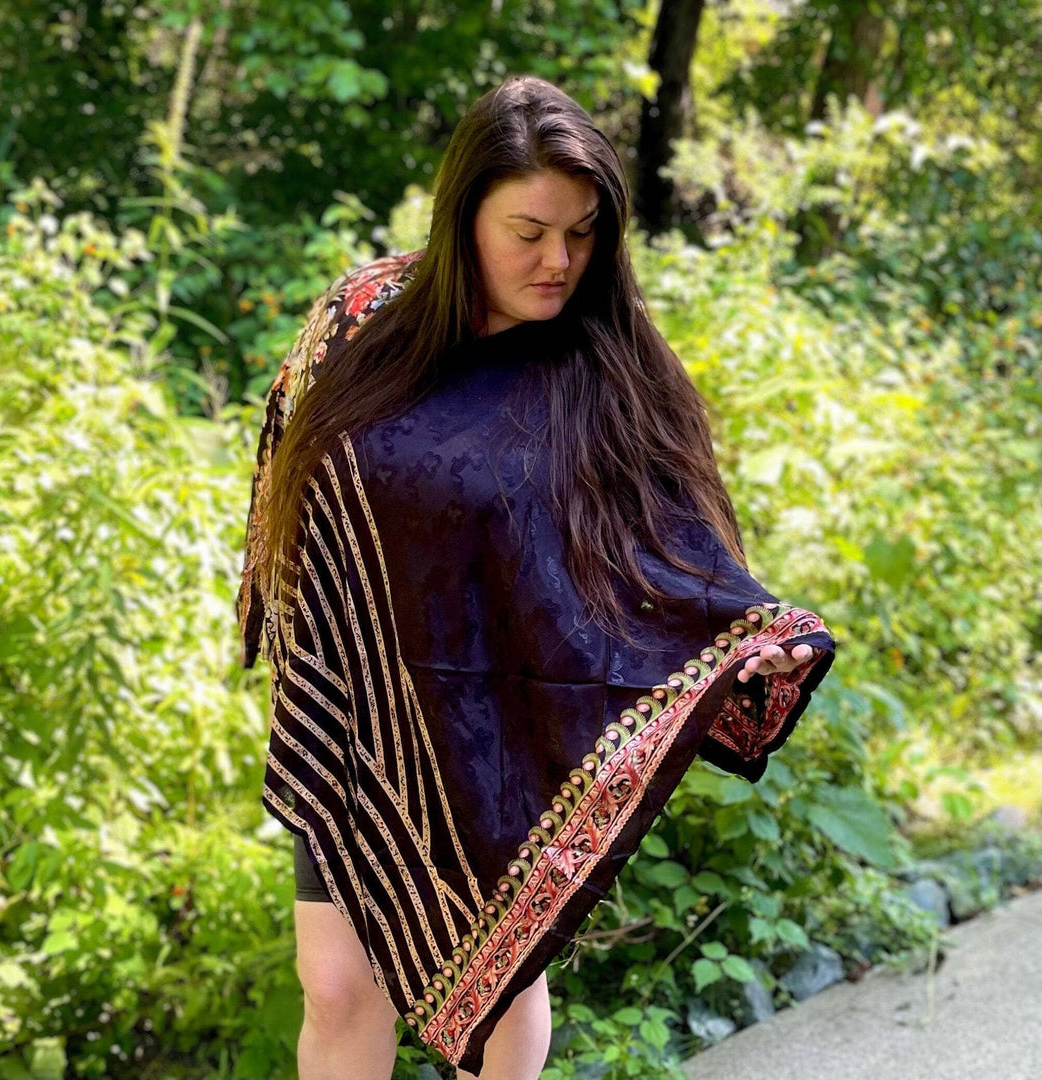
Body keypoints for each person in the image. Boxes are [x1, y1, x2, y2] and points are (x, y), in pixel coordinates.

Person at [236, 75, 835, 1080]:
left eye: (583, 233)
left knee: (494, 983)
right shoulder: (361, 317)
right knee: (336, 985)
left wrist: (750, 639)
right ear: (462, 213)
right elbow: (291, 478)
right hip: (358, 706)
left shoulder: (608, 372)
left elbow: (670, 550)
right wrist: (311, 636)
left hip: (503, 726)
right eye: (528, 230)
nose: (558, 261)